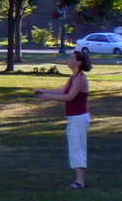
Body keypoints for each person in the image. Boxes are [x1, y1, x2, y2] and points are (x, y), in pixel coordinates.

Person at [34, 49, 91, 189]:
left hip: (79, 118)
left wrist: (49, 97)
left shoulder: (81, 78)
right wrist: (45, 91)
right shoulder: (73, 77)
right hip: (74, 118)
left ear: (78, 62)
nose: (69, 60)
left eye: (72, 58)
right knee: (75, 148)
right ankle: (79, 180)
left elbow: (69, 97)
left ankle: (80, 182)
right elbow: (62, 92)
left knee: (77, 148)